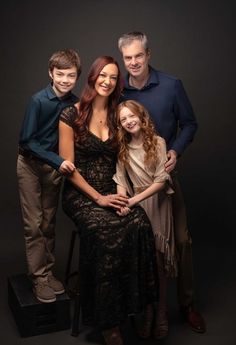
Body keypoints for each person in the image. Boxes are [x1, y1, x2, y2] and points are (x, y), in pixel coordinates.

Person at [58, 56, 158, 345]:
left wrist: (124, 191)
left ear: (118, 83)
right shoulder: (70, 115)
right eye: (103, 75)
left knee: (138, 222)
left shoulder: (119, 114)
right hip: (81, 193)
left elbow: (134, 150)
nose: (107, 81)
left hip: (114, 188)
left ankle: (137, 306)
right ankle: (107, 322)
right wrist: (98, 198)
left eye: (114, 77)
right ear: (93, 77)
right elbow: (69, 168)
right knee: (105, 232)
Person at [118, 31, 206, 333]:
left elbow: (190, 123)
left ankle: (187, 304)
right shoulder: (119, 92)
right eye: (127, 58)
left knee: (180, 240)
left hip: (165, 177)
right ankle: (147, 309)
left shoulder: (171, 85)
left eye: (138, 56)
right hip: (134, 184)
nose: (133, 62)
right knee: (144, 249)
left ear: (148, 55)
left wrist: (175, 151)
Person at [17, 49, 81, 303]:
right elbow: (27, 140)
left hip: (55, 168)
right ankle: (37, 278)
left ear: (77, 76)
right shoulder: (38, 101)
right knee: (33, 224)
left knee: (48, 223)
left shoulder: (74, 103)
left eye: (71, 75)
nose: (65, 80)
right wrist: (58, 161)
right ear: (50, 73)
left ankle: (47, 271)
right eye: (60, 74)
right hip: (31, 165)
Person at [113, 99, 177, 339]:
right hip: (136, 208)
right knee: (143, 264)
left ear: (141, 116)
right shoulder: (123, 148)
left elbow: (161, 181)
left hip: (157, 204)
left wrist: (133, 200)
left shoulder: (158, 143)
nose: (129, 121)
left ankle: (161, 313)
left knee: (159, 264)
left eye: (132, 116)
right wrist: (122, 201)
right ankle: (147, 313)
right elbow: (120, 179)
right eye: (123, 120)